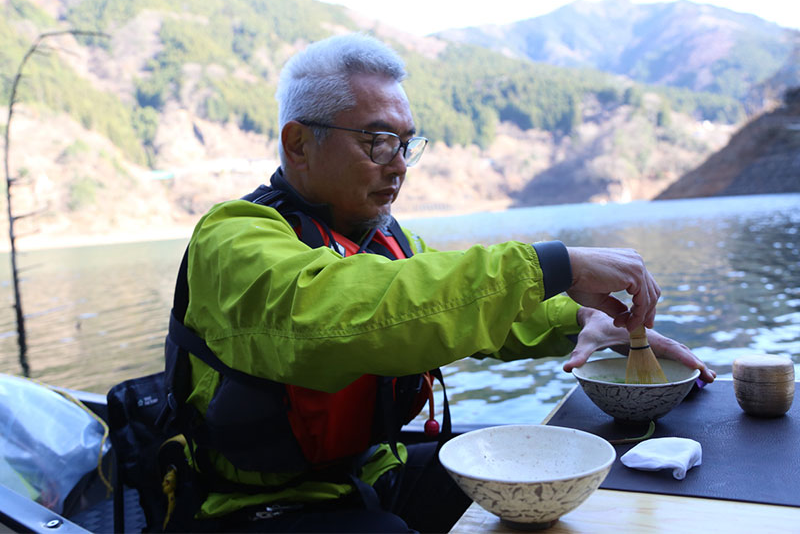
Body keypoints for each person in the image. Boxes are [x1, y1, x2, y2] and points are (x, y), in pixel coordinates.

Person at [164, 33, 716, 533]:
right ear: (299, 144)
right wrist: (553, 265)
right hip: (252, 509)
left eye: (407, 144)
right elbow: (342, 315)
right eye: (378, 141)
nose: (399, 165)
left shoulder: (384, 240)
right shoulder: (233, 237)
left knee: (541, 485)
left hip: (372, 471)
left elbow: (469, 307)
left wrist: (583, 320)